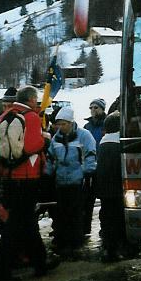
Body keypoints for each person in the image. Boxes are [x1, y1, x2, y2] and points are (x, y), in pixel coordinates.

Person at [0, 85, 58, 281]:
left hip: (9, 177)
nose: (37, 103)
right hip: (27, 178)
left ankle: (40, 262)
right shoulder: (31, 117)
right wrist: (45, 139)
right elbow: (31, 146)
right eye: (35, 99)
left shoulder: (4, 117)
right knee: (16, 226)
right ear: (30, 99)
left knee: (27, 223)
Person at [47, 106, 96, 260]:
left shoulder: (84, 136)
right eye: (58, 124)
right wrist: (47, 172)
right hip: (61, 180)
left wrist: (88, 172)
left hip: (78, 180)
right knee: (62, 212)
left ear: (70, 122)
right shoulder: (56, 138)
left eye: (63, 124)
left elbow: (90, 154)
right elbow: (51, 157)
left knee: (76, 212)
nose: (60, 127)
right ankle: (63, 241)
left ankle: (75, 242)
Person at [96, 112, 131, 262]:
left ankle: (108, 249)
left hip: (104, 189)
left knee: (107, 218)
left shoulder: (103, 143)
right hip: (117, 189)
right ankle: (118, 249)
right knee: (118, 220)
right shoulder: (119, 144)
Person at [80, 98, 106, 238]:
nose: (93, 110)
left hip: (103, 165)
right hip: (89, 165)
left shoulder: (107, 125)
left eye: (96, 107)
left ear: (102, 109)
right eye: (91, 108)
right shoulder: (87, 127)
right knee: (87, 199)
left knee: (105, 199)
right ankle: (85, 228)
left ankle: (105, 227)